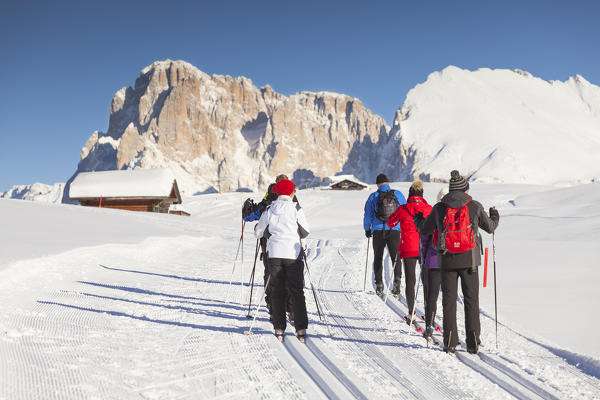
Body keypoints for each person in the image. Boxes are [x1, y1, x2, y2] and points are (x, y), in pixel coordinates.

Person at [414, 170, 499, 354]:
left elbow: (424, 229)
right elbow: (490, 228)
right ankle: (473, 342)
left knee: (449, 302)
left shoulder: (439, 208)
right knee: (471, 301)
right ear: (465, 190)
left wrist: (418, 219)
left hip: (447, 261)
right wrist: (495, 216)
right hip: (470, 261)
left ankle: (450, 342)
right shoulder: (474, 206)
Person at [254, 179, 310, 342]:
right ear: (291, 192)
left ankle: (279, 328)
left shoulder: (270, 209)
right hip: (293, 255)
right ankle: (300, 329)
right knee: (297, 291)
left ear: (277, 192)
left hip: (275, 253)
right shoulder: (296, 208)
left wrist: (270, 235)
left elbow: (259, 232)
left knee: (277, 291)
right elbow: (306, 231)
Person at [242, 174, 295, 318]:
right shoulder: (292, 197)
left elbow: (257, 213)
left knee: (271, 273)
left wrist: (247, 212)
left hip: (270, 244)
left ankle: (273, 304)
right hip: (291, 244)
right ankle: (290, 308)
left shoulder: (271, 196)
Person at [386, 180, 431, 322]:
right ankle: (429, 313)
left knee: (410, 281)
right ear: (422, 195)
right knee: (427, 281)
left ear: (410, 194)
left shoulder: (403, 209)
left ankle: (411, 312)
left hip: (408, 248)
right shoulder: (429, 208)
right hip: (425, 247)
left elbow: (390, 223)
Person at [363, 173, 406, 295]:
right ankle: (397, 283)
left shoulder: (373, 196)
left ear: (377, 184)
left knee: (378, 257)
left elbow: (368, 214)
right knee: (396, 257)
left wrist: (367, 229)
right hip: (395, 230)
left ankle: (379, 284)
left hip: (377, 230)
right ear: (388, 183)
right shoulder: (398, 194)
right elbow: (405, 211)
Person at [419, 186, 448, 339]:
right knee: (449, 296)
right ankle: (450, 329)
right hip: (452, 262)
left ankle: (429, 325)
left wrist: (422, 259)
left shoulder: (434, 214)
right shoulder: (456, 215)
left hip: (433, 261)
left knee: (432, 294)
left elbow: (424, 238)